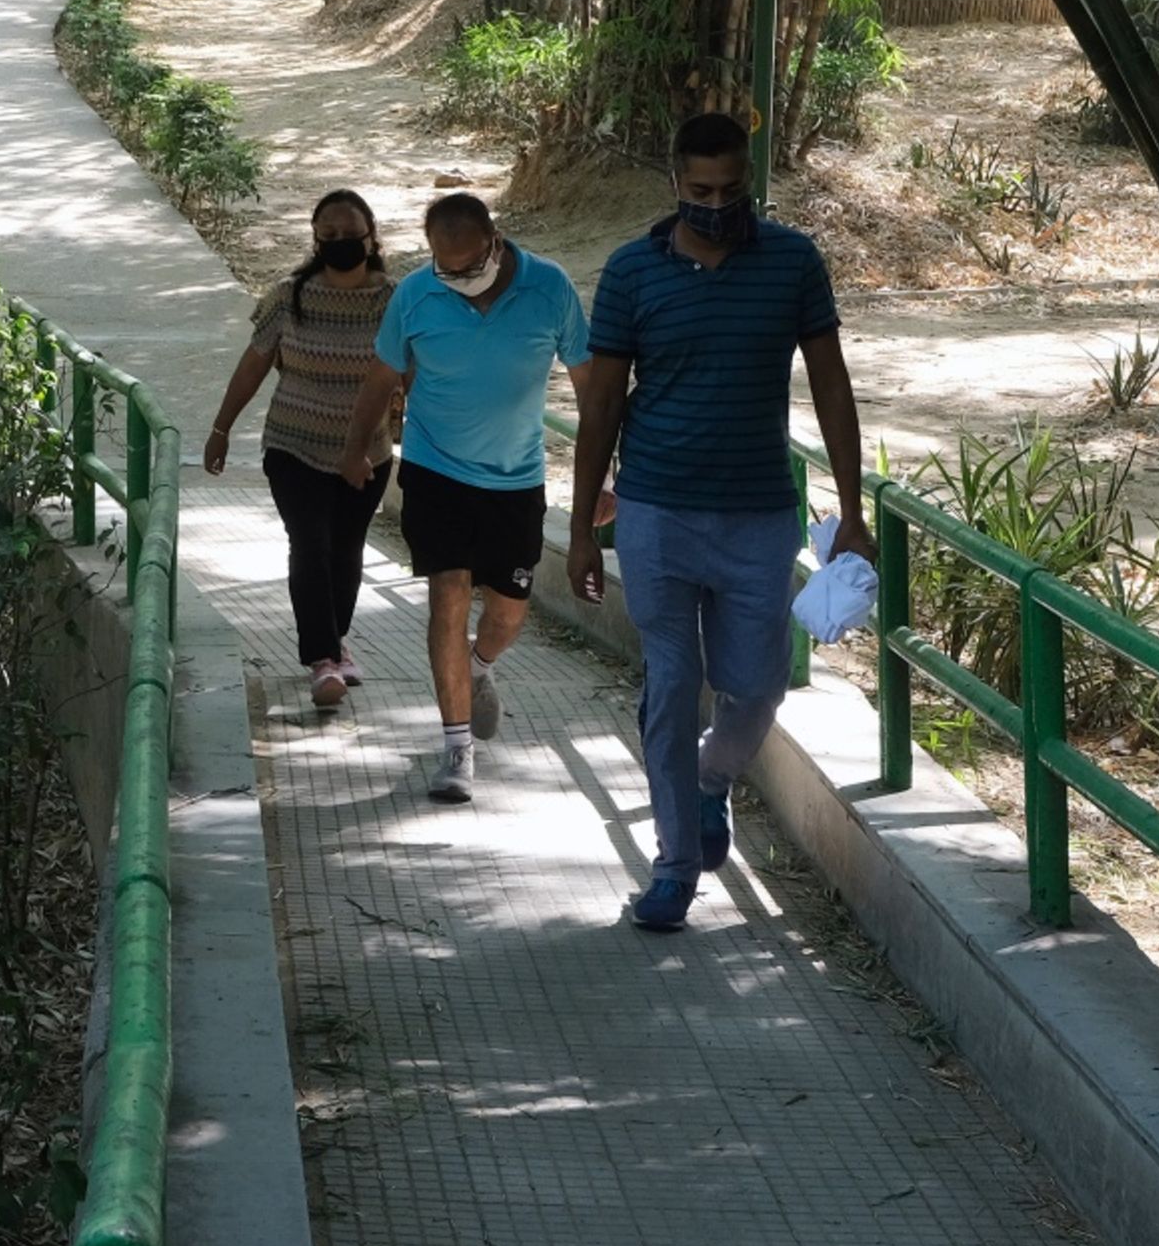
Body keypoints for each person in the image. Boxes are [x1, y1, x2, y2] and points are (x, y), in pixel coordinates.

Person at [566, 112, 870, 932]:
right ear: (674, 182)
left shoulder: (793, 261)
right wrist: (582, 525)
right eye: (699, 190)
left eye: (731, 188)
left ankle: (711, 778)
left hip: (759, 514)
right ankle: (672, 867)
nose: (715, 203)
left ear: (751, 180)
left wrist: (853, 510)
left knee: (758, 684)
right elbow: (602, 404)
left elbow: (831, 382)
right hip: (657, 511)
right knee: (670, 685)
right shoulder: (632, 271)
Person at [346, 192, 589, 804]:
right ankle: (457, 750)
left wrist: (608, 474)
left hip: (515, 479)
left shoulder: (549, 288)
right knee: (448, 594)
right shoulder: (415, 295)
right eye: (445, 267)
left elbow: (592, 384)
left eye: (469, 265)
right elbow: (381, 375)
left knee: (507, 615)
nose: (456, 278)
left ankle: (479, 665)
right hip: (435, 469)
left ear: (495, 241)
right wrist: (355, 448)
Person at [202, 190, 397, 714]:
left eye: (350, 233)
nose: (340, 242)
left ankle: (335, 642)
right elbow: (254, 364)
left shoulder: (395, 302)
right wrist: (221, 428)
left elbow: (416, 374)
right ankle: (322, 660)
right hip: (294, 446)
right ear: (314, 240)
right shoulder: (289, 297)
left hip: (369, 454)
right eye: (328, 235)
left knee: (347, 549)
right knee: (309, 544)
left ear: (371, 237)